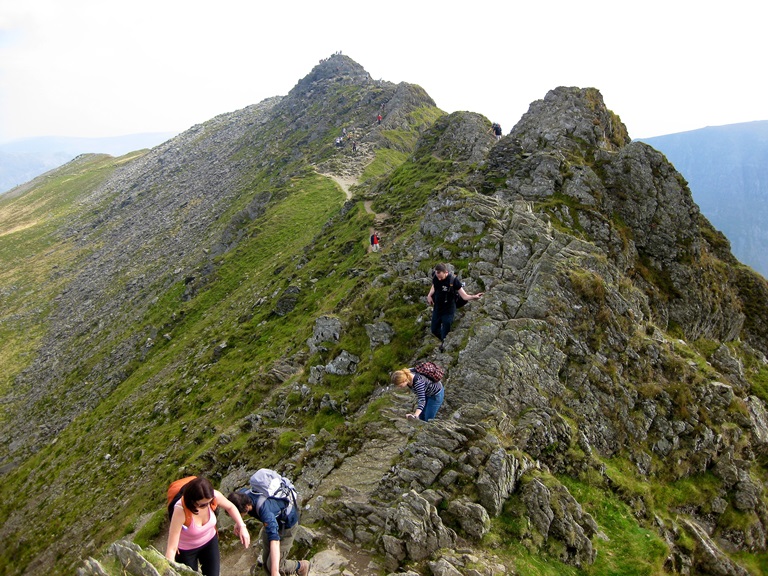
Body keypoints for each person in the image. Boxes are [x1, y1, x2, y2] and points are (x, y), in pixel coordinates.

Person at [165, 476, 251, 576]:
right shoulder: (180, 510)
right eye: (202, 505)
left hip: (210, 542)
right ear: (192, 501)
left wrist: (242, 526)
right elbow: (171, 548)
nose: (207, 506)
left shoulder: (214, 496)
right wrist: (167, 569)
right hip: (186, 550)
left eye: (209, 502)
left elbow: (230, 506)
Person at [228, 472, 310, 576]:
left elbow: (275, 541)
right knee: (267, 563)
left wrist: (275, 572)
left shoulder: (266, 512)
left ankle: (301, 566)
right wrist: (238, 522)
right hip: (272, 524)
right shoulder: (242, 495)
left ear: (247, 507)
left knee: (275, 566)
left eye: (238, 514)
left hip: (287, 526)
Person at [427, 263, 484, 352]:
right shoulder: (436, 277)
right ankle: (444, 340)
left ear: (446, 272)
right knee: (434, 329)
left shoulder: (453, 281)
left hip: (448, 309)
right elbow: (434, 285)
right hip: (438, 307)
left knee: (446, 326)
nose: (439, 279)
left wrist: (474, 297)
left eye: (441, 277)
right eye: (438, 277)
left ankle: (444, 345)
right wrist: (429, 295)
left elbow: (464, 296)